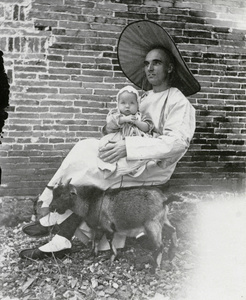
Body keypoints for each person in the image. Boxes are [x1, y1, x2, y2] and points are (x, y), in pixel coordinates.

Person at [19, 20, 200, 260]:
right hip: (127, 154)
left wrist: (129, 147)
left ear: (169, 67)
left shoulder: (179, 102)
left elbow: (177, 143)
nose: (149, 68)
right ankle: (50, 207)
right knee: (84, 147)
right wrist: (111, 127)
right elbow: (119, 123)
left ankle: (61, 233)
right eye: (146, 64)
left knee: (91, 172)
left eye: (156, 62)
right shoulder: (143, 97)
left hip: (152, 166)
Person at [98, 85, 154, 179]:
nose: (127, 106)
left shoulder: (140, 116)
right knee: (107, 148)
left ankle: (132, 168)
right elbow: (110, 123)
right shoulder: (116, 115)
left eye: (132, 103)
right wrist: (124, 119)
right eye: (123, 103)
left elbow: (147, 127)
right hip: (118, 139)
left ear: (137, 104)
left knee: (139, 155)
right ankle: (110, 168)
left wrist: (136, 122)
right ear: (118, 104)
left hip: (135, 141)